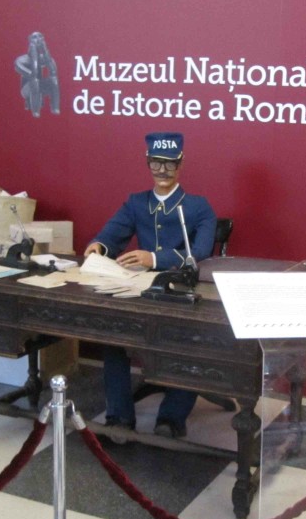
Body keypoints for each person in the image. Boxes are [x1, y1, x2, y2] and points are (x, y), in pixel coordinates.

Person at [84, 132, 217, 437]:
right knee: (113, 338)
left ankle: (171, 417)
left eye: (169, 164)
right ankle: (119, 416)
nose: (162, 171)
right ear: (147, 162)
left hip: (180, 292)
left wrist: (154, 258)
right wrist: (99, 246)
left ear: (181, 163)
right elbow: (111, 234)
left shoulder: (199, 207)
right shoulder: (136, 202)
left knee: (189, 341)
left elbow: (200, 253)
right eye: (156, 163)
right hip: (139, 291)